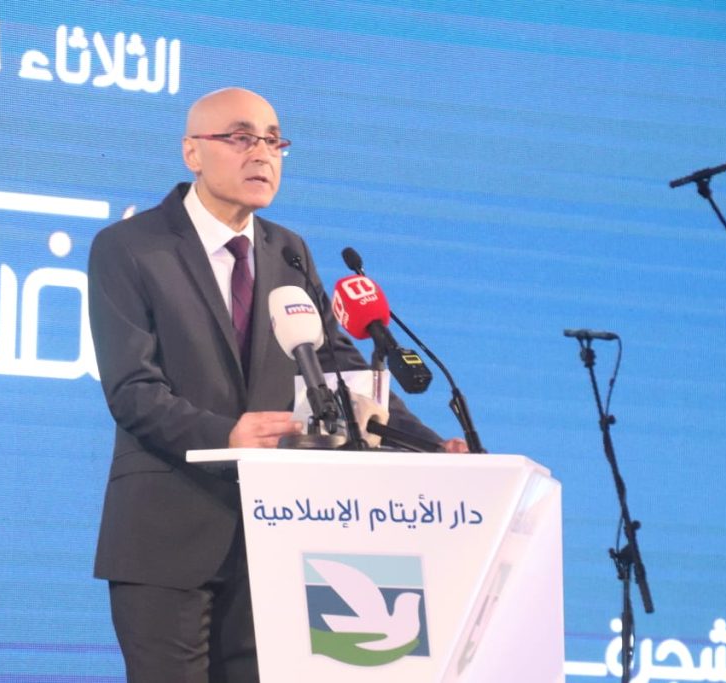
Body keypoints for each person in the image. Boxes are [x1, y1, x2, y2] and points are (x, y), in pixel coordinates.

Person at [87, 87, 465, 683]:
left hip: (277, 539)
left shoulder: (288, 252)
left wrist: (433, 449)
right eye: (241, 138)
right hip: (166, 534)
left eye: (273, 140)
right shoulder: (130, 247)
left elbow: (341, 374)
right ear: (192, 152)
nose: (261, 153)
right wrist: (225, 435)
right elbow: (132, 389)